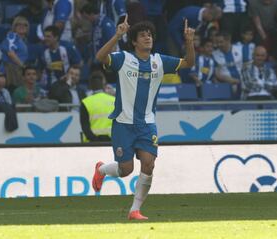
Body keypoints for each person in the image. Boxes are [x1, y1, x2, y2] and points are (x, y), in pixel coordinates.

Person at [93, 16, 195, 220]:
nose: (147, 38)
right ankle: (102, 169)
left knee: (149, 164)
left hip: (147, 124)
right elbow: (100, 57)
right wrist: (117, 35)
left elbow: (189, 63)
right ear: (133, 41)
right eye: (142, 35)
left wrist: (189, 41)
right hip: (123, 123)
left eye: (149, 35)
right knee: (126, 170)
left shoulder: (159, 61)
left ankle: (135, 210)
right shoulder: (123, 59)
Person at [80, 72, 114, 142]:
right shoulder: (114, 101)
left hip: (92, 144)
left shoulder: (86, 102)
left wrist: (96, 140)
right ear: (103, 85)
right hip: (112, 142)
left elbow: (85, 127)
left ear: (90, 86)